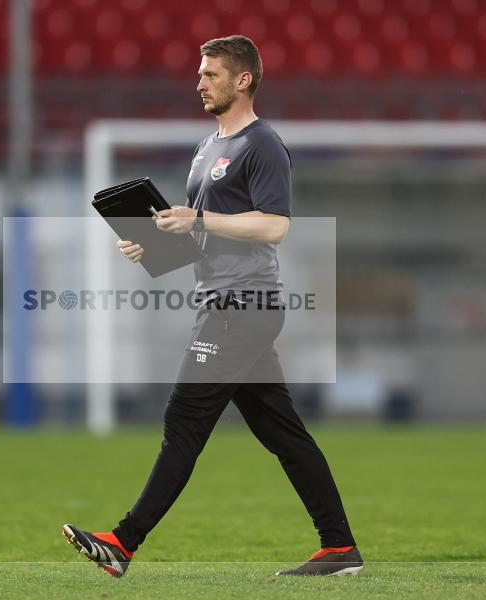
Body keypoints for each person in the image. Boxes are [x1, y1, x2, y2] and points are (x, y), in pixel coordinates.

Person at [62, 35, 361, 578]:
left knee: (184, 419)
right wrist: (156, 242)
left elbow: (274, 226)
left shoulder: (263, 145)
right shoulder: (206, 148)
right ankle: (339, 548)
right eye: (199, 73)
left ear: (243, 80)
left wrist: (196, 219)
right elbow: (208, 232)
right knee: (283, 433)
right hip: (222, 301)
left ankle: (123, 542)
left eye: (211, 74)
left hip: (243, 304)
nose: (199, 82)